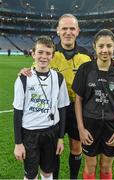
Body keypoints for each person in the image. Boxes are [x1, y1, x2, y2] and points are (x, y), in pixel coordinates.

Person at [19, 14, 114, 179]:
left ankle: (73, 178)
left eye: (72, 28)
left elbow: (104, 57)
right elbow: (35, 69)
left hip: (79, 108)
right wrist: (24, 71)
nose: (68, 32)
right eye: (64, 28)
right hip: (55, 109)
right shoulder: (51, 53)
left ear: (78, 31)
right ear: (58, 30)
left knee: (76, 147)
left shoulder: (86, 54)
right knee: (55, 149)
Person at [72, 29, 114, 179]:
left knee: (106, 168)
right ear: (94, 47)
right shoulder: (85, 69)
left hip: (112, 127)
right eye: (101, 46)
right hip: (89, 126)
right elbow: (79, 100)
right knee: (90, 166)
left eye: (109, 46)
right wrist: (81, 128)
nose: (105, 50)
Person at [13, 36, 70, 180]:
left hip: (51, 132)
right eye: (40, 52)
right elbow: (17, 112)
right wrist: (18, 143)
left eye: (47, 53)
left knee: (47, 172)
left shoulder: (59, 78)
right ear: (33, 54)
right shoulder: (23, 78)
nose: (43, 57)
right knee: (31, 174)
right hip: (30, 133)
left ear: (52, 56)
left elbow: (63, 109)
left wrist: (61, 138)